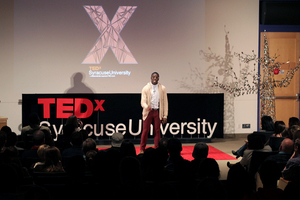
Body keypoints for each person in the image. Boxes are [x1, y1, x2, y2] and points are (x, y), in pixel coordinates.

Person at [140, 72, 168, 154]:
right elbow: (142, 101)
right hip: (148, 112)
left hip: (157, 112)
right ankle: (142, 149)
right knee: (145, 131)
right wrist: (146, 106)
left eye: (156, 77)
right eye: (153, 77)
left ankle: (157, 148)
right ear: (151, 78)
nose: (155, 78)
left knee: (157, 131)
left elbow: (165, 103)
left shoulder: (162, 88)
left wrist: (165, 115)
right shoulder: (146, 88)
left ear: (158, 78)